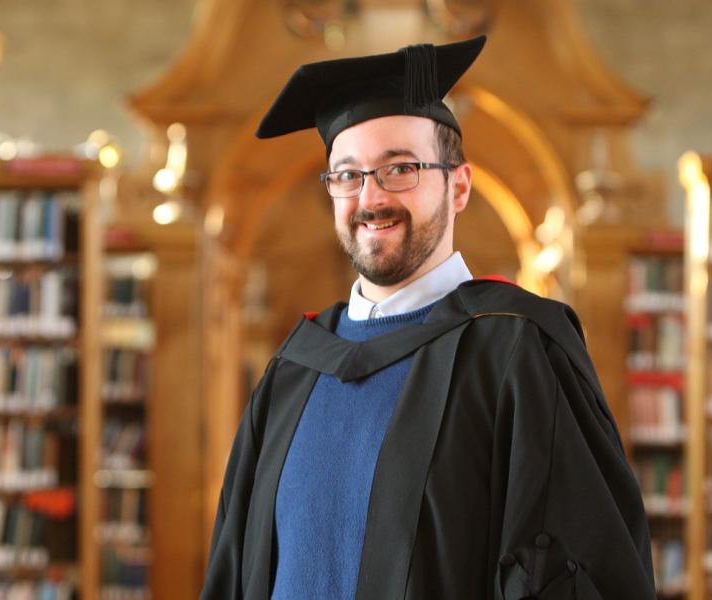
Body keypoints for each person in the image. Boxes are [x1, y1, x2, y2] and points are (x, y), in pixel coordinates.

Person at [201, 35, 656, 600]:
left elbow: (578, 568)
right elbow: (233, 568)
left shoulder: (518, 352)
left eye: (400, 168)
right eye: (348, 175)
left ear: (458, 186)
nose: (371, 197)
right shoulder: (293, 372)